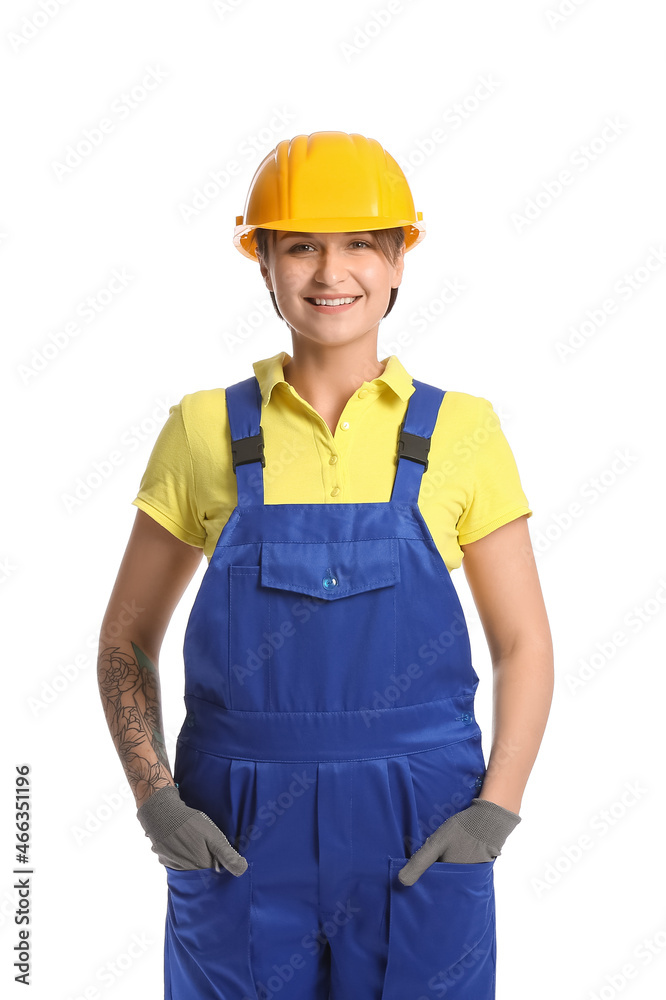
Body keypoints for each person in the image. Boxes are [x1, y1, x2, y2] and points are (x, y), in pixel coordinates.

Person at [97, 130, 554, 1000]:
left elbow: (524, 643)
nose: (329, 271)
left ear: (397, 263)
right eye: (300, 244)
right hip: (236, 825)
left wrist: (496, 810)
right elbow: (126, 640)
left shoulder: (464, 432)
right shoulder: (205, 430)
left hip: (421, 824)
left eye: (359, 244)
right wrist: (156, 798)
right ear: (263, 264)